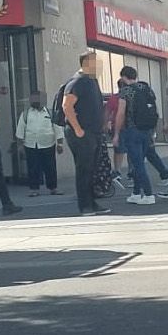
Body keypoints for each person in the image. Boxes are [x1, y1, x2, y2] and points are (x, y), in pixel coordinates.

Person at [58, 51, 109, 216]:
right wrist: (78, 129)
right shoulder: (77, 81)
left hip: (93, 132)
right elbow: (67, 106)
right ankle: (85, 206)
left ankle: (91, 202)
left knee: (91, 169)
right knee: (84, 169)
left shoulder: (91, 81)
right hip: (80, 133)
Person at [113, 66, 160, 207]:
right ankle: (135, 193)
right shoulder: (146, 88)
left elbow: (121, 114)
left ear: (123, 77)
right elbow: (154, 109)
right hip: (147, 130)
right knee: (139, 162)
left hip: (132, 130)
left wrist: (116, 133)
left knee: (137, 164)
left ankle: (148, 194)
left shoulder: (125, 91)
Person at [16, 92, 62, 197]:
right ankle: (34, 189)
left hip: (48, 144)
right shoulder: (26, 113)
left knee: (50, 167)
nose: (35, 101)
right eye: (33, 99)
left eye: (37, 99)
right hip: (31, 144)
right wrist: (20, 146)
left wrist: (60, 144)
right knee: (33, 167)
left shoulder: (50, 113)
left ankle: (53, 188)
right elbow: (20, 130)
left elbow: (58, 129)